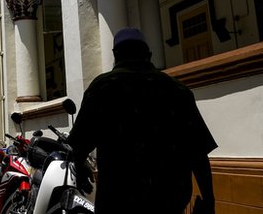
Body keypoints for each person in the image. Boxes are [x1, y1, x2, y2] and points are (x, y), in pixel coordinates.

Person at [68, 28, 217, 214]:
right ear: (149, 55)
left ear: (115, 55)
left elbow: (79, 145)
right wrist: (209, 198)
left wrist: (81, 173)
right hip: (168, 201)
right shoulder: (177, 90)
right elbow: (198, 154)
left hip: (118, 200)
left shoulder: (102, 88)